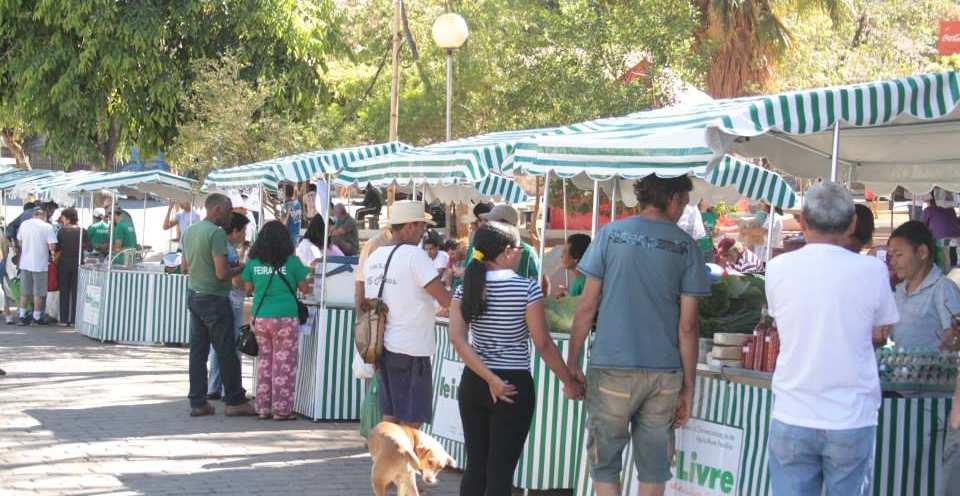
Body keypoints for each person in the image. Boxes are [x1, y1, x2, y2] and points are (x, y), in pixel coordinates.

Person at [567, 174, 710, 496]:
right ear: (672, 199)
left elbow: (586, 306)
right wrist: (688, 387)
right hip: (664, 374)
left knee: (605, 465)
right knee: (654, 467)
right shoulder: (686, 246)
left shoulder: (610, 234)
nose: (682, 210)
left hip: (611, 368)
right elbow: (688, 327)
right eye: (684, 203)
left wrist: (572, 363)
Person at [764, 182, 899, 496]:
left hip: (793, 411)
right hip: (851, 417)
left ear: (803, 222)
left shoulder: (777, 268)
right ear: (852, 224)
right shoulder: (873, 271)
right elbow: (882, 329)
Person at [448, 221, 582, 496]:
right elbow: (542, 343)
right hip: (513, 383)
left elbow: (458, 341)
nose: (522, 254)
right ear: (507, 252)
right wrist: (568, 379)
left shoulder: (465, 289)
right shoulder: (527, 289)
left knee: (476, 465)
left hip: (474, 380)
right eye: (519, 248)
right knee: (501, 469)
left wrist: (488, 378)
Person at [363, 201, 451, 428]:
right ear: (410, 227)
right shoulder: (415, 255)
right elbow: (444, 298)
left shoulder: (375, 257)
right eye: (422, 226)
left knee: (390, 414)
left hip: (382, 345)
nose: (424, 232)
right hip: (411, 346)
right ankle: (402, 463)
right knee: (412, 420)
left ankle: (385, 462)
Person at [181, 193, 254, 417]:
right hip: (215, 298)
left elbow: (184, 268)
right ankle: (234, 400)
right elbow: (222, 273)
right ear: (217, 209)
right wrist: (241, 268)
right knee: (226, 351)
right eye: (229, 210)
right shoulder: (216, 234)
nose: (231, 216)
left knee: (198, 351)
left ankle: (198, 401)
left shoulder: (190, 231)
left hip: (194, 295)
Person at [242, 220, 312, 420]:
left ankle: (262, 407)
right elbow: (305, 288)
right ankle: (281, 410)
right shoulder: (292, 262)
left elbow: (248, 289)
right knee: (284, 364)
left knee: (264, 361)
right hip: (286, 318)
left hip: (261, 317)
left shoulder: (254, 263)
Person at [887, 221, 960, 352]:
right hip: (902, 370)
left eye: (899, 255)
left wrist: (949, 343)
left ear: (922, 252)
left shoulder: (942, 288)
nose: (893, 262)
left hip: (933, 371)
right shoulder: (900, 290)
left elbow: (955, 337)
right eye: (890, 256)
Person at [207, 212, 250, 400]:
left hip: (217, 298)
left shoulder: (221, 245)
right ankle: (230, 388)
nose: (245, 235)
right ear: (234, 231)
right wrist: (247, 285)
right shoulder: (229, 250)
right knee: (233, 343)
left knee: (217, 345)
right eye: (244, 231)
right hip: (233, 299)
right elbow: (235, 280)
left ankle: (214, 386)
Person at [465, 204, 541, 282]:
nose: (487, 225)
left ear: (503, 226)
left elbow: (538, 282)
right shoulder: (484, 248)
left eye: (490, 222)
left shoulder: (527, 253)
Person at [16, 208, 56, 326]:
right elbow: (52, 246)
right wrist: (52, 254)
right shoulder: (47, 227)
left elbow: (20, 242)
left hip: (25, 263)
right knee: (38, 292)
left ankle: (22, 316)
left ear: (34, 215)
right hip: (40, 264)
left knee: (25, 291)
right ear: (43, 215)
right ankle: (36, 317)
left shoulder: (24, 224)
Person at [54, 208, 89, 326]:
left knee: (64, 291)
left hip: (64, 264)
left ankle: (64, 319)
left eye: (63, 217)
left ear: (68, 219)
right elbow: (90, 247)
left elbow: (57, 248)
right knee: (76, 292)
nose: (62, 220)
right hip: (78, 263)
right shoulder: (82, 231)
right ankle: (74, 320)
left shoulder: (62, 231)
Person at [556, 233, 591, 298]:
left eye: (565, 252)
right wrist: (567, 296)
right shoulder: (580, 279)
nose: (561, 256)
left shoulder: (584, 282)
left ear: (576, 256)